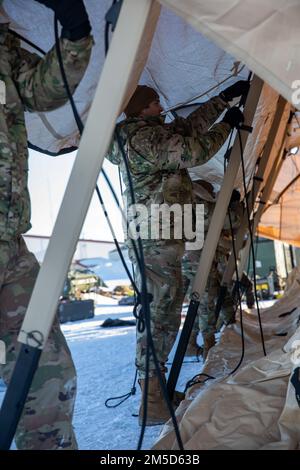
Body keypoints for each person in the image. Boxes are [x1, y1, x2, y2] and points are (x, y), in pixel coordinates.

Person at [107, 80, 248, 425]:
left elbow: (187, 127)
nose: (161, 107)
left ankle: (156, 393)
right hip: (153, 234)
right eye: (155, 103)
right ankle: (151, 399)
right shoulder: (141, 138)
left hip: (163, 232)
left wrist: (221, 101)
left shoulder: (149, 132)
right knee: (159, 314)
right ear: (142, 108)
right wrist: (228, 126)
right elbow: (193, 151)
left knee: (167, 308)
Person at [0, 0, 93, 449]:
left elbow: (43, 91)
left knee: (46, 370)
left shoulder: (4, 53)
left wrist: (75, 33)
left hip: (8, 245)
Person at [182, 183, 243, 359]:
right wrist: (237, 206)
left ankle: (191, 344)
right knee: (205, 304)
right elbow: (233, 220)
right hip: (200, 262)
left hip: (186, 261)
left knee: (199, 304)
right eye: (210, 192)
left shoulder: (184, 203)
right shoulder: (202, 206)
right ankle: (209, 348)